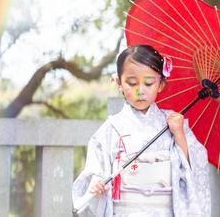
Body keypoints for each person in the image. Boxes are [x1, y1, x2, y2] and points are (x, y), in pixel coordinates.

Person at [72, 45, 210, 216]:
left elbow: (194, 170)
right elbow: (95, 172)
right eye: (132, 83)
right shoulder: (111, 128)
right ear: (118, 83)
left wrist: (179, 134)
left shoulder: (173, 123)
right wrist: (98, 184)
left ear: (161, 84)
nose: (140, 91)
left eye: (149, 83)